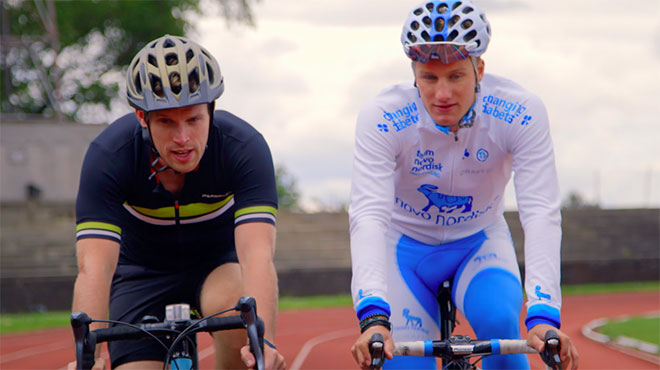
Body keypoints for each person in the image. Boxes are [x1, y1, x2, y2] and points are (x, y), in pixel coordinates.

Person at [349, 1, 579, 369]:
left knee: (500, 323)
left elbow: (540, 211)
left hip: (479, 240)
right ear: (413, 75)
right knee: (401, 362)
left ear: (480, 69)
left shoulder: (520, 112)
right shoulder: (383, 117)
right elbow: (368, 215)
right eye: (429, 78)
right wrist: (374, 318)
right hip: (404, 248)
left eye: (456, 76)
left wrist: (544, 316)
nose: (442, 94)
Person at [69, 34, 285, 370]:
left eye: (194, 119)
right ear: (143, 118)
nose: (183, 138)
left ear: (212, 110)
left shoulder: (244, 148)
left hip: (218, 267)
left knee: (242, 326)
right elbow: (94, 268)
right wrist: (89, 358)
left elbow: (257, 256)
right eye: (167, 122)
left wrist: (264, 344)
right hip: (142, 274)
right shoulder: (109, 156)